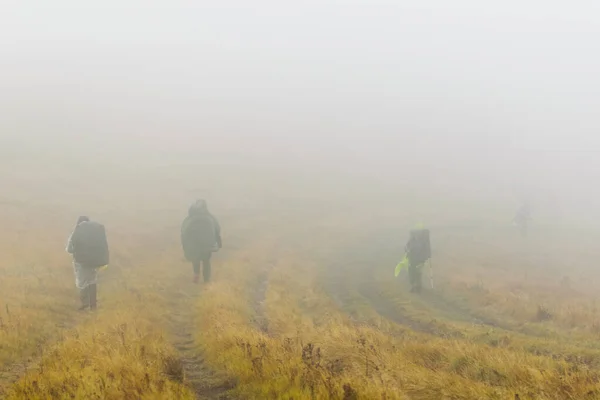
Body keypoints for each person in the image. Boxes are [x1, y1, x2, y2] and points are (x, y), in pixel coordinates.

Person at [66, 216, 109, 311]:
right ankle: (93, 305)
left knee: (82, 282)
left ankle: (84, 303)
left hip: (80, 262)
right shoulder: (94, 235)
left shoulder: (76, 232)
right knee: (92, 280)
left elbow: (69, 249)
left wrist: (76, 252)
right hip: (94, 261)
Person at [181, 200, 222, 283]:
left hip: (194, 244)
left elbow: (184, 231)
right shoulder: (210, 217)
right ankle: (207, 279)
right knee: (206, 260)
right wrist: (218, 242)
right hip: (207, 244)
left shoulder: (190, 218)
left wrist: (185, 245)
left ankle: (196, 275)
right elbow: (217, 228)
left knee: (195, 258)